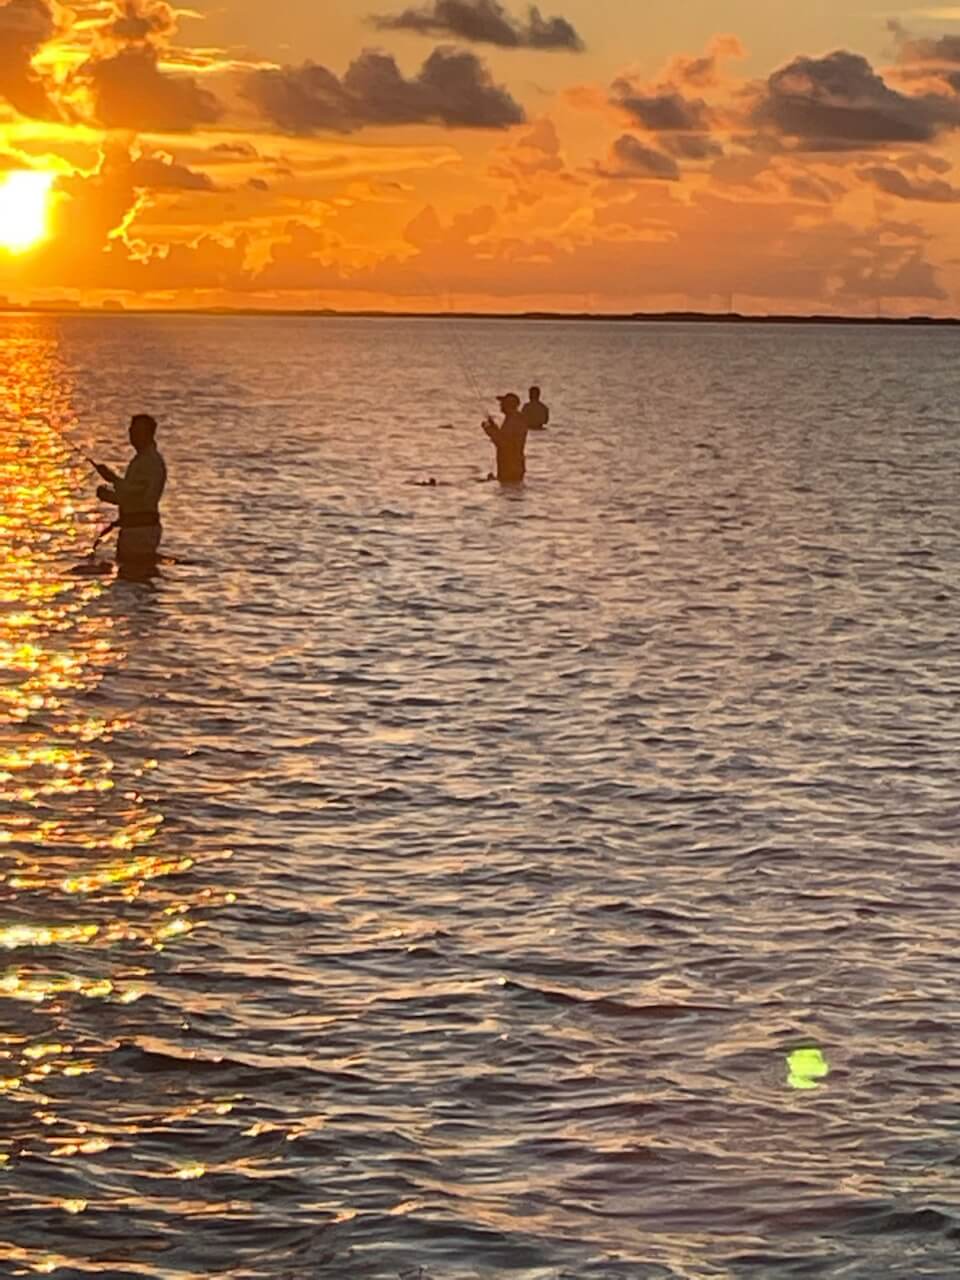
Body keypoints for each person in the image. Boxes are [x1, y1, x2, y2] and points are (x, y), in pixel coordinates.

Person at [95, 414, 167, 568]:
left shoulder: (149, 462)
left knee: (134, 573)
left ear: (149, 434)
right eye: (132, 430)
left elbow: (137, 493)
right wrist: (108, 496)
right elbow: (132, 498)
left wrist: (113, 479)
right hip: (135, 529)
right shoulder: (141, 460)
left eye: (137, 431)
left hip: (139, 532)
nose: (132, 435)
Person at [483, 393, 529, 484]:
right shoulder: (515, 418)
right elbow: (505, 437)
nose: (500, 405)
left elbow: (503, 443)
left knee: (508, 488)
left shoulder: (513, 420)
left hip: (510, 466)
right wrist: (494, 427)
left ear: (508, 405)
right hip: (514, 465)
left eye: (502, 403)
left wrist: (488, 430)